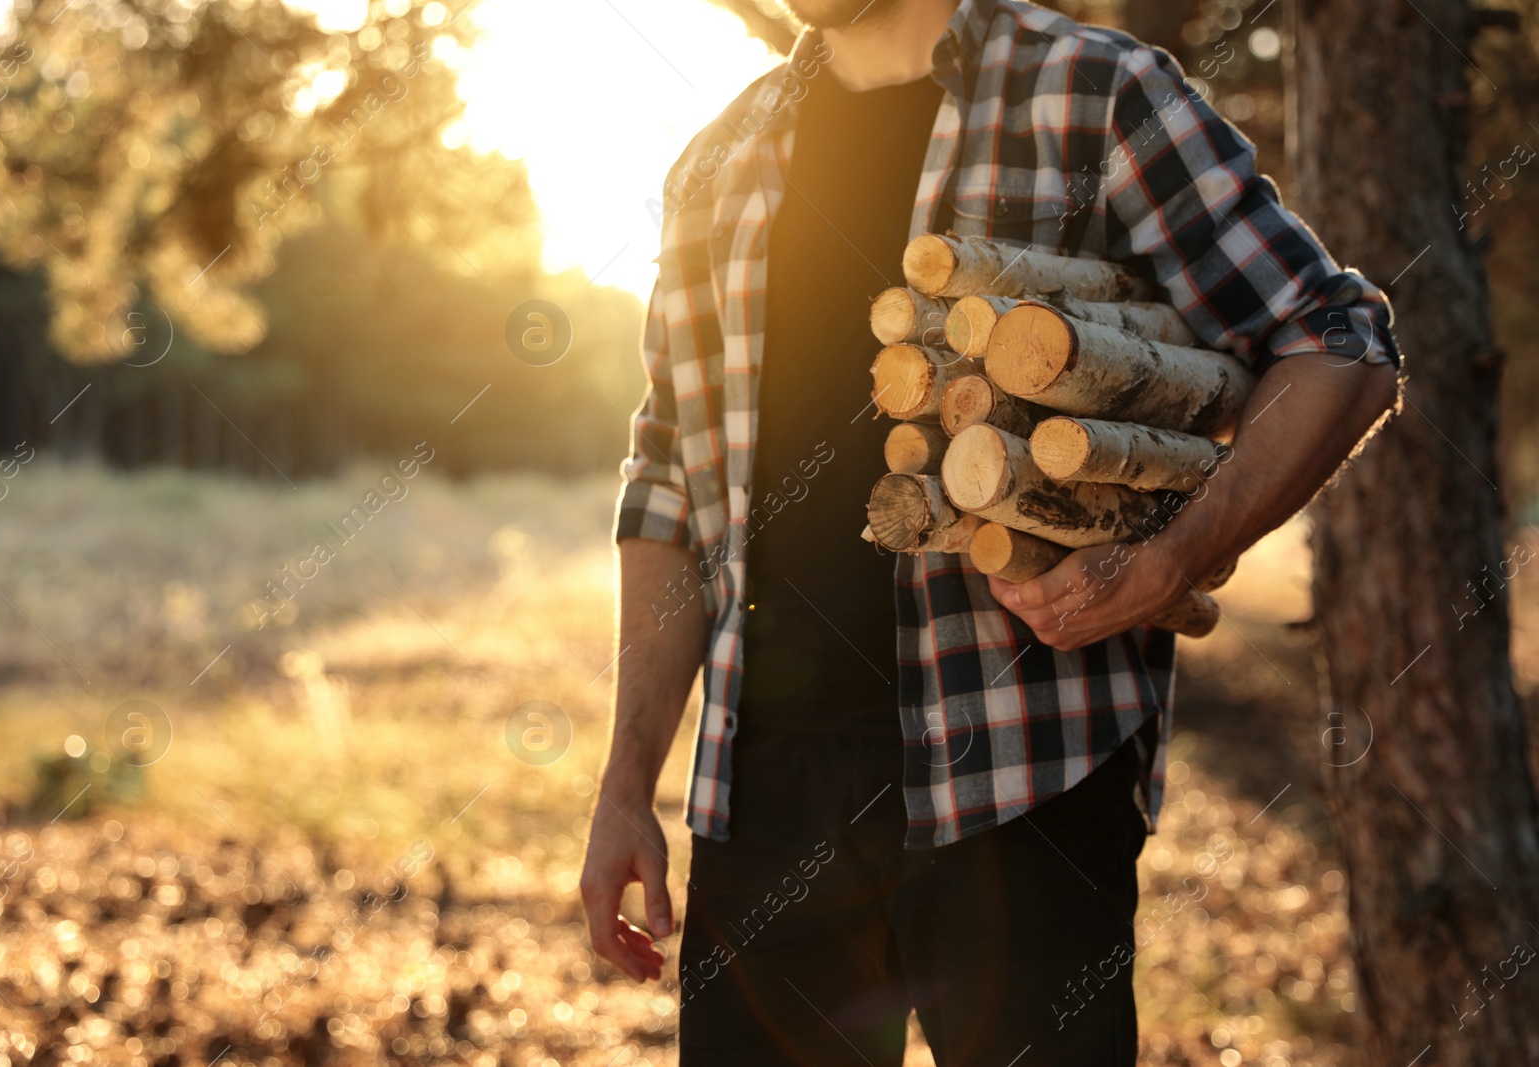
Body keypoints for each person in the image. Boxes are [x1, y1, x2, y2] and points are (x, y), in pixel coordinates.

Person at [580, 0, 1401, 1062]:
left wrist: (1171, 561)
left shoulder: (1094, 94)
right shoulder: (718, 163)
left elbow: (1338, 342)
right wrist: (624, 781)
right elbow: (667, 481)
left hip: (1029, 782)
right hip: (764, 798)